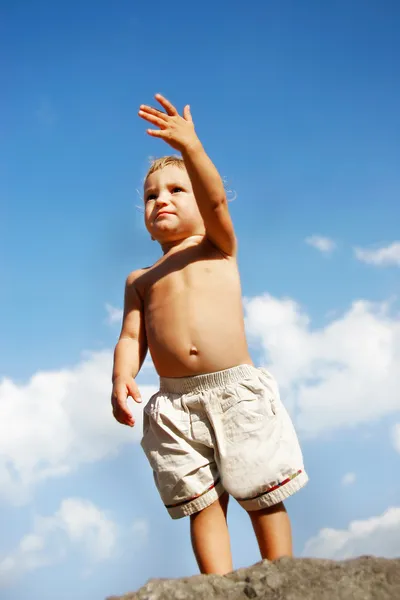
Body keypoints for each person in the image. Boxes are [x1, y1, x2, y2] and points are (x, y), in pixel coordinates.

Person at [111, 93, 308, 575]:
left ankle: (284, 576)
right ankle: (215, 586)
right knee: (202, 503)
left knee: (261, 492)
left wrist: (191, 146)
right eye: (152, 195)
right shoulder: (140, 279)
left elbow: (216, 195)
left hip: (235, 392)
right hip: (175, 405)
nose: (162, 200)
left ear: (202, 202)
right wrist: (120, 377)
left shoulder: (217, 246)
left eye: (178, 190)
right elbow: (131, 337)